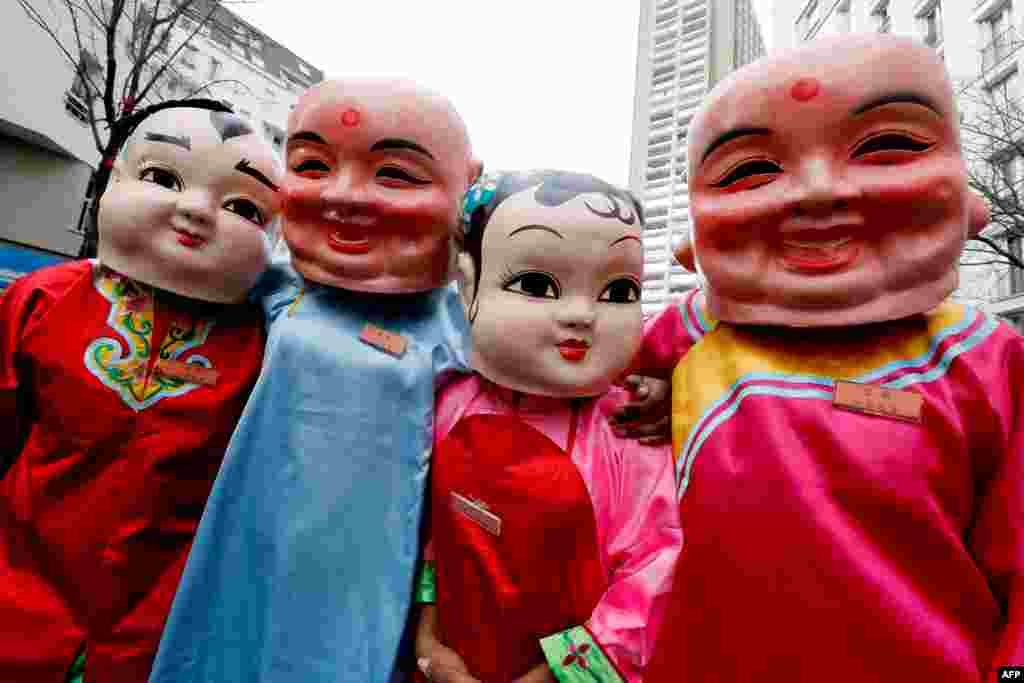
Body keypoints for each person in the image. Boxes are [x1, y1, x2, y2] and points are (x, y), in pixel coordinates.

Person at [630, 34, 1023, 682]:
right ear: (694, 239)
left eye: (885, 148)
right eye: (749, 171)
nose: (816, 193)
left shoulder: (990, 360)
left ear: (966, 201)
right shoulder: (691, 332)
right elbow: (574, 384)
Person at [150, 79, 482, 683]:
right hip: (247, 562)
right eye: (311, 165)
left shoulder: (468, 332)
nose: (345, 196)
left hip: (372, 589)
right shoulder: (274, 286)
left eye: (395, 175)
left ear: (468, 186)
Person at [0, 99, 282, 682]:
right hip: (16, 612)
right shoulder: (38, 303)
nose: (196, 212)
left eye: (242, 207)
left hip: (159, 643)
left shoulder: (270, 347)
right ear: (114, 177)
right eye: (162, 178)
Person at [413, 170, 682, 683]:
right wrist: (429, 642)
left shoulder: (629, 426)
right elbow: (433, 538)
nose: (582, 314)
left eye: (618, 291)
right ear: (468, 285)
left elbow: (656, 569)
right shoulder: (448, 400)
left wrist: (556, 675)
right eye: (537, 286)